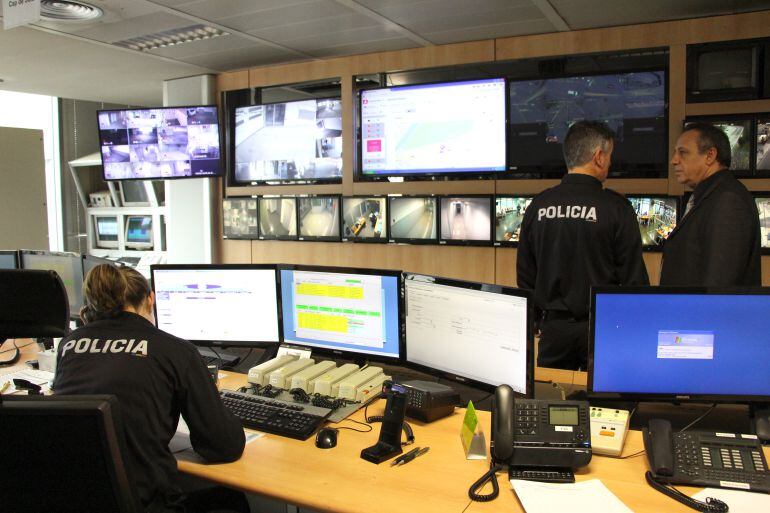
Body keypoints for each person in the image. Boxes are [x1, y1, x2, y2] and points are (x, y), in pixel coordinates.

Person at [53, 264, 247, 513]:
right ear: (150, 299)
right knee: (231, 500)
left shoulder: (69, 345)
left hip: (78, 499)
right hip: (146, 503)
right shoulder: (174, 350)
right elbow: (223, 447)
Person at [517, 120, 649, 370]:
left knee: (552, 393)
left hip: (553, 330)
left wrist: (535, 320)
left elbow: (525, 274)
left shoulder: (539, 205)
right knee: (600, 394)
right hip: (602, 328)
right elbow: (633, 279)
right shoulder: (616, 207)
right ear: (599, 157)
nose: (610, 163)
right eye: (609, 156)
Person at [660, 122, 761, 286]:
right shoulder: (709, 195)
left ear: (710, 155)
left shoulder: (728, 200)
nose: (674, 160)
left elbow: (720, 283)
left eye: (683, 153)